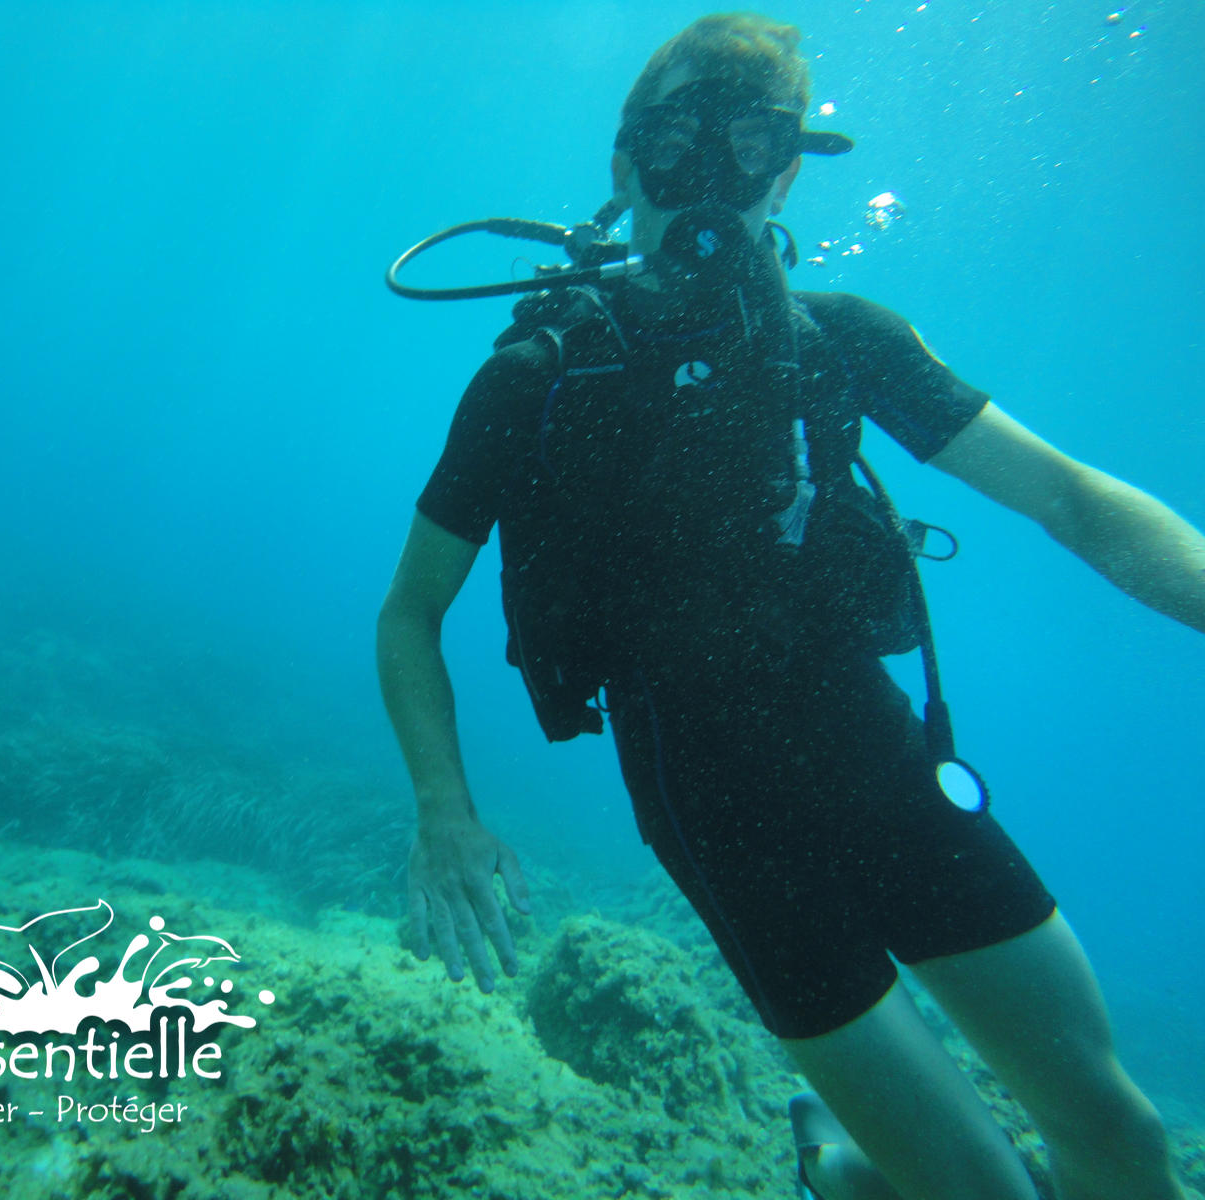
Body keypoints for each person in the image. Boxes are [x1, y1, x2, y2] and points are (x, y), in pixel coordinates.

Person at [375, 13, 1200, 1200]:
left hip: (878, 757)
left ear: (788, 172)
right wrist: (443, 815)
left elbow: (1069, 497)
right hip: (716, 809)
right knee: (976, 1190)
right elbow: (411, 610)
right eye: (676, 147)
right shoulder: (538, 377)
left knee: (1119, 1135)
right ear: (624, 168)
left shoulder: (841, 342)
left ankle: (846, 1168)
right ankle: (844, 1165)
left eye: (750, 146)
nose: (710, 182)